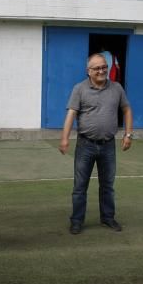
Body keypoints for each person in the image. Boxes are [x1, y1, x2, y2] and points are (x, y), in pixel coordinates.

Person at [59, 52, 134, 234]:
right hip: (86, 145)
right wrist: (64, 138)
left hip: (108, 145)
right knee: (80, 186)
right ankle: (77, 220)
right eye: (97, 68)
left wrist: (128, 135)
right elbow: (71, 114)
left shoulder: (117, 88)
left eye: (104, 67)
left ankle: (108, 218)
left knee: (107, 186)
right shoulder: (80, 89)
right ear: (88, 71)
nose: (101, 71)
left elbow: (126, 109)